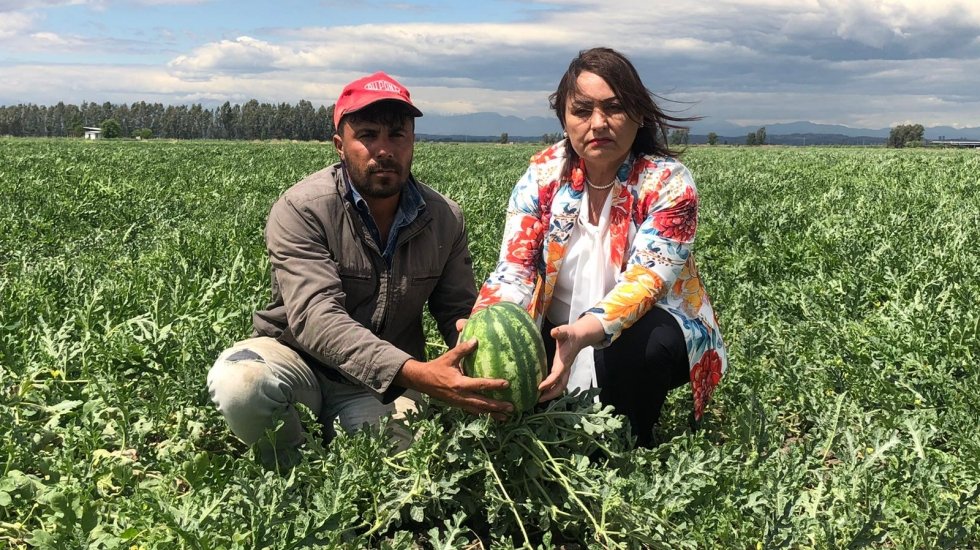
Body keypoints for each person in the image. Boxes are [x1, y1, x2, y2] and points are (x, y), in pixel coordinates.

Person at [207, 71, 513, 464]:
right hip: (300, 362)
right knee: (242, 384)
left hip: (380, 387)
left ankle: (340, 439)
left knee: (408, 473)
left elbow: (457, 311)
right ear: (340, 145)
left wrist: (492, 374)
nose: (383, 150)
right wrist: (418, 374)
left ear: (413, 142)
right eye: (367, 134)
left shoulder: (444, 218)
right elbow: (317, 318)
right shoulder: (302, 209)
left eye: (397, 135)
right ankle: (293, 473)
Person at [472, 48, 727, 447]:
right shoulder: (541, 177)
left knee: (647, 344)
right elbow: (515, 266)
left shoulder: (668, 184)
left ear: (639, 115)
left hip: (641, 330)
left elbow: (646, 282)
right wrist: (484, 322)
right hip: (556, 327)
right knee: (513, 365)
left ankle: (630, 443)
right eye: (582, 110)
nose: (598, 123)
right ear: (564, 119)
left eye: (614, 108)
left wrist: (582, 334)